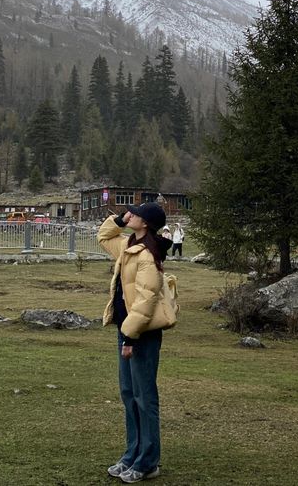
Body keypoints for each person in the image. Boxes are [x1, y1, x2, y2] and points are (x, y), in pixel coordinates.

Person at [98, 203, 173, 483]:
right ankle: (132, 454)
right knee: (129, 395)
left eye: (136, 214)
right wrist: (118, 220)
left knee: (144, 398)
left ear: (146, 223)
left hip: (141, 334)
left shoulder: (148, 255)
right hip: (126, 331)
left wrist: (129, 337)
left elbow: (146, 301)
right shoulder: (129, 246)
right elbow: (104, 238)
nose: (131, 216)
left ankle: (148, 461)